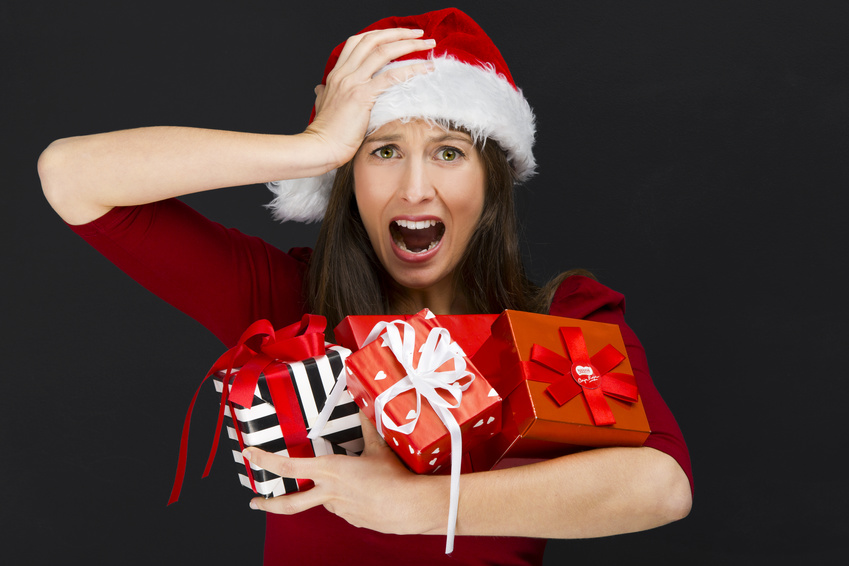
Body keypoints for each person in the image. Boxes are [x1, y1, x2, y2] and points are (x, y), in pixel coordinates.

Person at [38, 8, 692, 566]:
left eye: (448, 152)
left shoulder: (560, 319)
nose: (415, 188)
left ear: (491, 181)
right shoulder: (286, 303)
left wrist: (419, 506)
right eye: (382, 151)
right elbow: (71, 176)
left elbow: (660, 485)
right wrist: (314, 148)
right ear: (346, 179)